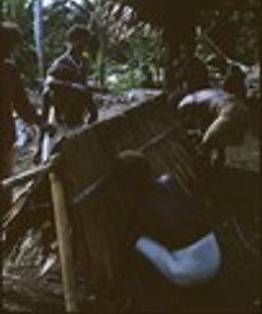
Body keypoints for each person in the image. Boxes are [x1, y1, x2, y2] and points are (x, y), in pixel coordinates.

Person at [111, 150, 221, 291]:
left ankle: (154, 288)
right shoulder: (170, 180)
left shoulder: (141, 208)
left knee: (135, 241)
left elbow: (129, 239)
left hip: (190, 273)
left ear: (126, 184)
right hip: (214, 257)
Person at [0, 22, 50, 214]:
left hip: (4, 140)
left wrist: (41, 123)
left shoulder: (10, 71)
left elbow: (22, 105)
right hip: (4, 139)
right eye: (8, 45)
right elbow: (23, 106)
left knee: (5, 188)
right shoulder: (9, 71)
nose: (10, 51)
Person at [35, 24, 99, 162]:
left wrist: (92, 108)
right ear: (73, 41)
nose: (85, 45)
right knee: (52, 153)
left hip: (76, 112)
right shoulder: (61, 63)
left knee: (75, 151)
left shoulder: (82, 62)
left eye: (86, 42)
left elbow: (84, 87)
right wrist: (73, 86)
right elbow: (50, 83)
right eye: (82, 41)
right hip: (60, 112)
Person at [175, 88, 250, 168]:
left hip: (229, 110)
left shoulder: (186, 102)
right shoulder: (204, 94)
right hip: (243, 109)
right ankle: (219, 160)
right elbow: (208, 121)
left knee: (206, 141)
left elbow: (190, 118)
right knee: (217, 136)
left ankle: (202, 167)